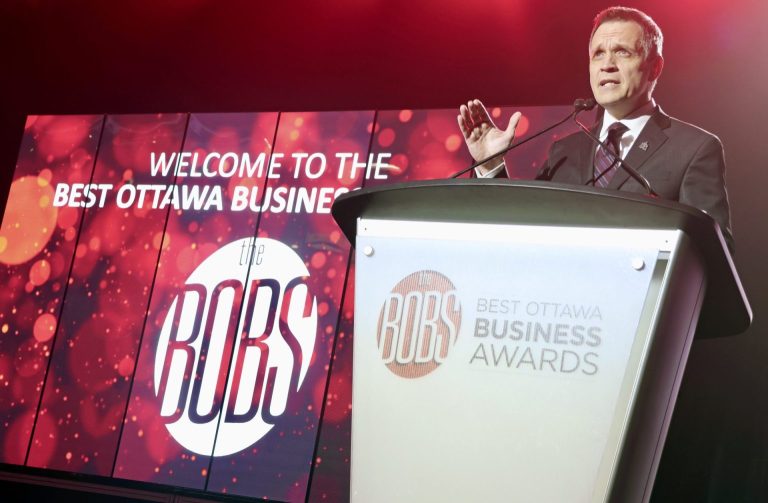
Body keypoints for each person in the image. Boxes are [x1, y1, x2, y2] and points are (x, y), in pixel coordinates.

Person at [457, 6, 734, 251]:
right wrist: (491, 167)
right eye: (598, 54)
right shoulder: (564, 151)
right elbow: (521, 231)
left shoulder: (694, 148)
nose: (607, 65)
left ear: (655, 67)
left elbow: (713, 253)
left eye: (622, 52)